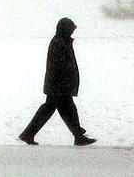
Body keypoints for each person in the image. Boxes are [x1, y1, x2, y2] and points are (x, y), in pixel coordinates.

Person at [18, 17, 96, 146]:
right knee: (66, 109)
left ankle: (29, 134)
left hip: (58, 85)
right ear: (65, 29)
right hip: (59, 85)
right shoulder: (59, 43)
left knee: (60, 109)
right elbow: (60, 65)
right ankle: (78, 136)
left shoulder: (61, 41)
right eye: (71, 29)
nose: (72, 32)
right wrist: (68, 78)